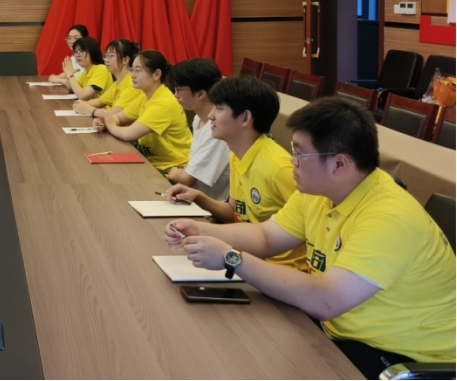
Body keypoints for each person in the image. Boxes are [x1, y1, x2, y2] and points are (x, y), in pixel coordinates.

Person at [165, 98, 455, 378]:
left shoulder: (388, 217)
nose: (292, 161)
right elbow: (266, 236)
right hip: (341, 328)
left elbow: (326, 300)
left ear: (339, 164)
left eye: (300, 154)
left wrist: (231, 258)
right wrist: (201, 229)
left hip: (404, 354)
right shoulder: (319, 191)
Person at [164, 76, 305, 269]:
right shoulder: (237, 153)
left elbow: (312, 229)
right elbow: (234, 214)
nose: (211, 115)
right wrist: (199, 197)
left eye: (219, 109)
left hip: (280, 269)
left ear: (245, 118)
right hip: (249, 257)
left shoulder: (279, 168)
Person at [95, 50, 191, 172]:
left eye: (138, 70)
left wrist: (109, 125)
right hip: (150, 161)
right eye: (132, 70)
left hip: (172, 167)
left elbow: (128, 134)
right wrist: (104, 123)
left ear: (156, 74)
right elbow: (118, 118)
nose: (133, 75)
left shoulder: (162, 103)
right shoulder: (144, 96)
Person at [166, 58, 230, 202]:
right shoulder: (198, 119)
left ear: (201, 94)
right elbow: (191, 164)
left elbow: (187, 179)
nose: (176, 95)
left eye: (179, 90)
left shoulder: (217, 128)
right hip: (189, 196)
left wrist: (174, 172)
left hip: (209, 205)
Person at [72, 39, 142, 119]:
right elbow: (100, 101)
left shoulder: (132, 84)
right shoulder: (118, 83)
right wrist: (83, 104)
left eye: (111, 56)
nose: (106, 60)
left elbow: (113, 114)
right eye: (106, 56)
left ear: (125, 60)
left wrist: (88, 109)